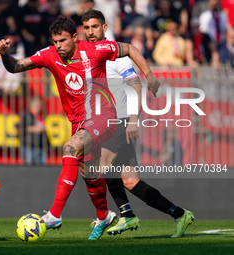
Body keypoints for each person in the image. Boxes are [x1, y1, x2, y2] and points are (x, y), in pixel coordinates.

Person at [0, 15, 160, 240]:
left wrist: (149, 76)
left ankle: (54, 214)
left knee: (71, 148)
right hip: (79, 122)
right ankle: (104, 216)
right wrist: (5, 55)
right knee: (90, 175)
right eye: (55, 42)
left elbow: (129, 48)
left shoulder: (95, 50)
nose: (58, 46)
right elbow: (15, 67)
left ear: (75, 37)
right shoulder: (49, 54)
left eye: (62, 41)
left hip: (103, 115)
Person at [82, 9, 194, 238]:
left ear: (104, 28)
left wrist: (133, 119)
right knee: (131, 181)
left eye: (95, 27)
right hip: (104, 123)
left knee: (97, 169)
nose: (90, 32)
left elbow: (135, 86)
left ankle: (114, 216)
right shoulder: (85, 56)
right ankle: (179, 214)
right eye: (86, 28)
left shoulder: (115, 55)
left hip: (120, 121)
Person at [20, 96, 47, 165]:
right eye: (38, 104)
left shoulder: (40, 115)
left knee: (42, 169)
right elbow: (20, 128)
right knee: (30, 169)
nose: (40, 106)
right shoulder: (26, 115)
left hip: (41, 145)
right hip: (29, 146)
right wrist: (33, 129)